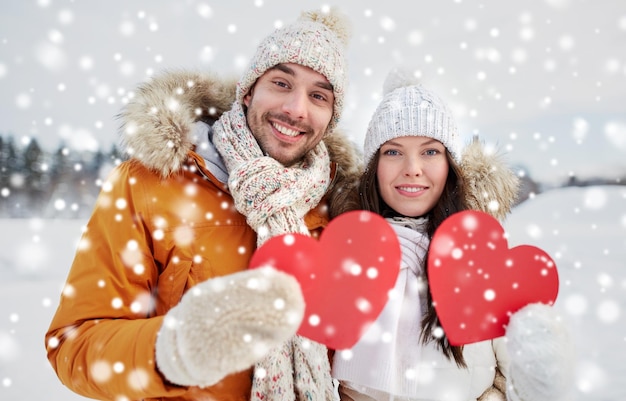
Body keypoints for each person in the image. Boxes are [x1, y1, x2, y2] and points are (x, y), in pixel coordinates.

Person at [45, 8, 362, 401]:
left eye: (319, 95)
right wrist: (172, 349)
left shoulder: (340, 206)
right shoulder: (149, 183)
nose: (297, 108)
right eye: (281, 83)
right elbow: (75, 343)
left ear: (331, 118)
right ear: (248, 92)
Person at [331, 69, 573, 401]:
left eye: (430, 151)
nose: (412, 167)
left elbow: (512, 385)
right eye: (393, 151)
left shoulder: (486, 262)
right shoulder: (345, 255)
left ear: (450, 166)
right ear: (374, 167)